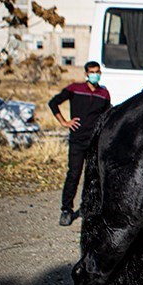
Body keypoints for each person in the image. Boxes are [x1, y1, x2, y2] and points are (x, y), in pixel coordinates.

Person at [48, 61, 111, 226]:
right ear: (86, 74)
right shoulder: (75, 89)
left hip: (94, 142)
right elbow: (53, 103)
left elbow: (107, 114)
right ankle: (66, 210)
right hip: (77, 140)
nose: (95, 74)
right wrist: (64, 122)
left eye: (97, 72)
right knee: (73, 175)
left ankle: (86, 207)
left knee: (92, 176)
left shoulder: (103, 93)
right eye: (92, 72)